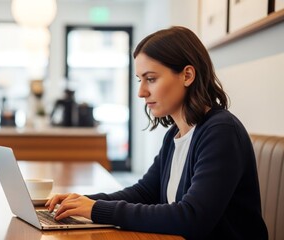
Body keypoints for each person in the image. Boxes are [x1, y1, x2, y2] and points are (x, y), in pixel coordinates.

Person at [45, 26, 268, 239]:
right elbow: (144, 192)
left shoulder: (221, 132)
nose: (141, 92)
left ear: (187, 75)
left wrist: (97, 209)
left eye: (150, 79)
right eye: (140, 80)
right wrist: (81, 203)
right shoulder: (175, 135)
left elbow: (192, 218)